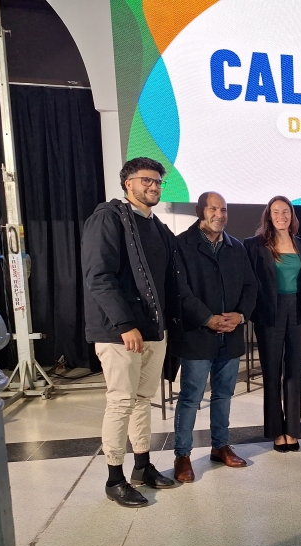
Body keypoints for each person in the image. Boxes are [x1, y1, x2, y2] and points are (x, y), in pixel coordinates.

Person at [81, 157, 178, 507]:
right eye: (146, 180)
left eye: (157, 181)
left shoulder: (156, 226)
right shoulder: (108, 218)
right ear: (128, 183)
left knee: (141, 401)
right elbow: (99, 276)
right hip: (119, 332)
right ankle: (114, 479)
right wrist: (125, 324)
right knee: (121, 402)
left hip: (152, 330)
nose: (153, 186)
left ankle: (142, 466)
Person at [171, 192, 256, 483]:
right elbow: (180, 291)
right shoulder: (181, 244)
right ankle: (182, 455)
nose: (219, 214)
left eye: (224, 210)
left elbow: (250, 286)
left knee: (223, 394)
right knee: (190, 397)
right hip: (197, 334)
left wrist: (240, 315)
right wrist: (206, 318)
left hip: (230, 335)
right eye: (213, 209)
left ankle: (220, 446)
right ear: (200, 211)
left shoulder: (236, 247)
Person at [245, 197, 301, 452]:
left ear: (292, 215)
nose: (281, 215)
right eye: (276, 211)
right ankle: (276, 431)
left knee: (295, 372)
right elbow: (249, 281)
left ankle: (292, 430)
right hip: (269, 312)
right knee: (272, 373)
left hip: (298, 312)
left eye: (285, 211)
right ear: (268, 216)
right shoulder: (254, 245)